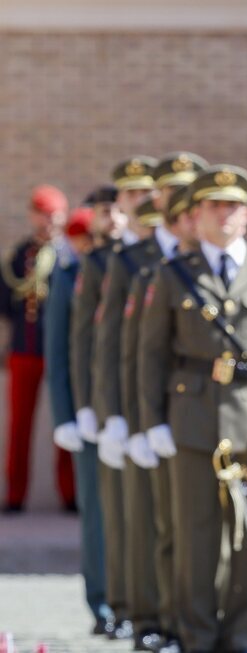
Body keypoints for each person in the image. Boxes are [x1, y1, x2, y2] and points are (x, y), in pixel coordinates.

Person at [138, 164, 247, 652]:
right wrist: (152, 424)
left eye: (233, 206)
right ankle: (197, 638)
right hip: (191, 426)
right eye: (215, 206)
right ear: (197, 215)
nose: (225, 214)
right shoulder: (172, 275)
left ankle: (239, 640)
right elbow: (150, 355)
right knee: (196, 543)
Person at [94, 152, 207, 653]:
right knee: (149, 525)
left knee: (188, 526)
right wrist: (114, 415)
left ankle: (185, 621)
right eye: (169, 189)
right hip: (144, 412)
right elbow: (111, 344)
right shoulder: (130, 259)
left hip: (194, 411)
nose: (175, 198)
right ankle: (149, 619)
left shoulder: (202, 253)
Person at [71, 155, 156, 642]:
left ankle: (143, 606)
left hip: (152, 409)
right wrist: (82, 407)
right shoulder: (98, 262)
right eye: (128, 195)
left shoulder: (161, 254)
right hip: (107, 409)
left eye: (144, 194)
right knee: (108, 516)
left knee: (149, 517)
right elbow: (80, 341)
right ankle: (109, 603)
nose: (136, 202)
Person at [43, 204, 114, 637]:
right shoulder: (68, 276)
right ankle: (101, 601)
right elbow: (58, 352)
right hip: (88, 413)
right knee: (98, 516)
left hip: (131, 415)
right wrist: (65, 414)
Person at [1, 185, 72, 512]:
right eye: (42, 215)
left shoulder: (70, 255)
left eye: (53, 216)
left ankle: (69, 495)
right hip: (25, 350)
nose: (47, 222)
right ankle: (15, 495)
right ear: (33, 216)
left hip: (61, 354)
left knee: (66, 426)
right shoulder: (20, 255)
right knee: (19, 426)